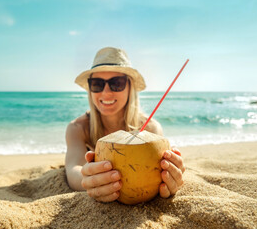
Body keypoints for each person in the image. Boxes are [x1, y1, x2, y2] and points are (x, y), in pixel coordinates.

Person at [65, 47, 185, 203]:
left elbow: (159, 172)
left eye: (117, 83)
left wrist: (171, 175)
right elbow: (73, 168)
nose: (106, 93)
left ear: (130, 87)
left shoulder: (151, 129)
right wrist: (88, 179)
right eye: (97, 84)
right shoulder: (78, 128)